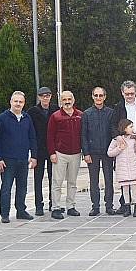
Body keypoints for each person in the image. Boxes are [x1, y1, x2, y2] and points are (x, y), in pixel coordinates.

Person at [0, 91, 38, 223]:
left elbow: (32, 137)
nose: (18, 104)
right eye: (16, 101)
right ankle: (5, 214)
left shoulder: (27, 118)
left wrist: (34, 156)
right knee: (6, 187)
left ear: (24, 103)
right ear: (11, 102)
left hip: (23, 159)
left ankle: (21, 211)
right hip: (7, 160)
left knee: (22, 186)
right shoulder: (2, 118)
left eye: (21, 102)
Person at [111, 81, 136, 214]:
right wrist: (118, 137)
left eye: (132, 93)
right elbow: (113, 125)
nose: (130, 96)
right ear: (122, 93)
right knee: (124, 176)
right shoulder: (118, 107)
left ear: (135, 92)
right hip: (124, 145)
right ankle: (125, 204)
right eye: (127, 94)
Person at [47, 90, 83, 219]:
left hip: (76, 153)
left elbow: (83, 134)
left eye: (69, 99)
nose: (67, 102)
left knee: (72, 182)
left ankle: (71, 206)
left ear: (73, 100)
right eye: (64, 99)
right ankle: (56, 207)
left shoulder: (80, 115)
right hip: (60, 154)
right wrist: (52, 153)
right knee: (57, 182)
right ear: (60, 101)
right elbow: (50, 136)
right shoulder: (55, 116)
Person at [81, 86, 115, 216]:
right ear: (92, 97)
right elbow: (83, 135)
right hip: (93, 152)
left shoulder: (110, 113)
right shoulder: (87, 114)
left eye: (101, 95)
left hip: (107, 151)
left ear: (105, 97)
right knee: (93, 180)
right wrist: (86, 153)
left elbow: (113, 131)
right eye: (96, 95)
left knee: (109, 179)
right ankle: (95, 206)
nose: (98, 98)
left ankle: (109, 205)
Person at [26, 86, 59, 215]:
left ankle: (53, 203)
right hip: (38, 148)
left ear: (51, 96)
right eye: (43, 96)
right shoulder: (32, 112)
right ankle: (38, 205)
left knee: (53, 177)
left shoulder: (55, 109)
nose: (45, 98)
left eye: (48, 95)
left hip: (52, 149)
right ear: (39, 97)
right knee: (38, 178)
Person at [108, 119, 136, 217]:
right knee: (125, 188)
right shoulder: (116, 140)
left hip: (132, 166)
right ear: (124, 128)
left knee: (134, 187)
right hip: (122, 167)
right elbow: (110, 153)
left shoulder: (134, 139)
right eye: (130, 127)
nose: (132, 128)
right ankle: (127, 207)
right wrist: (119, 148)